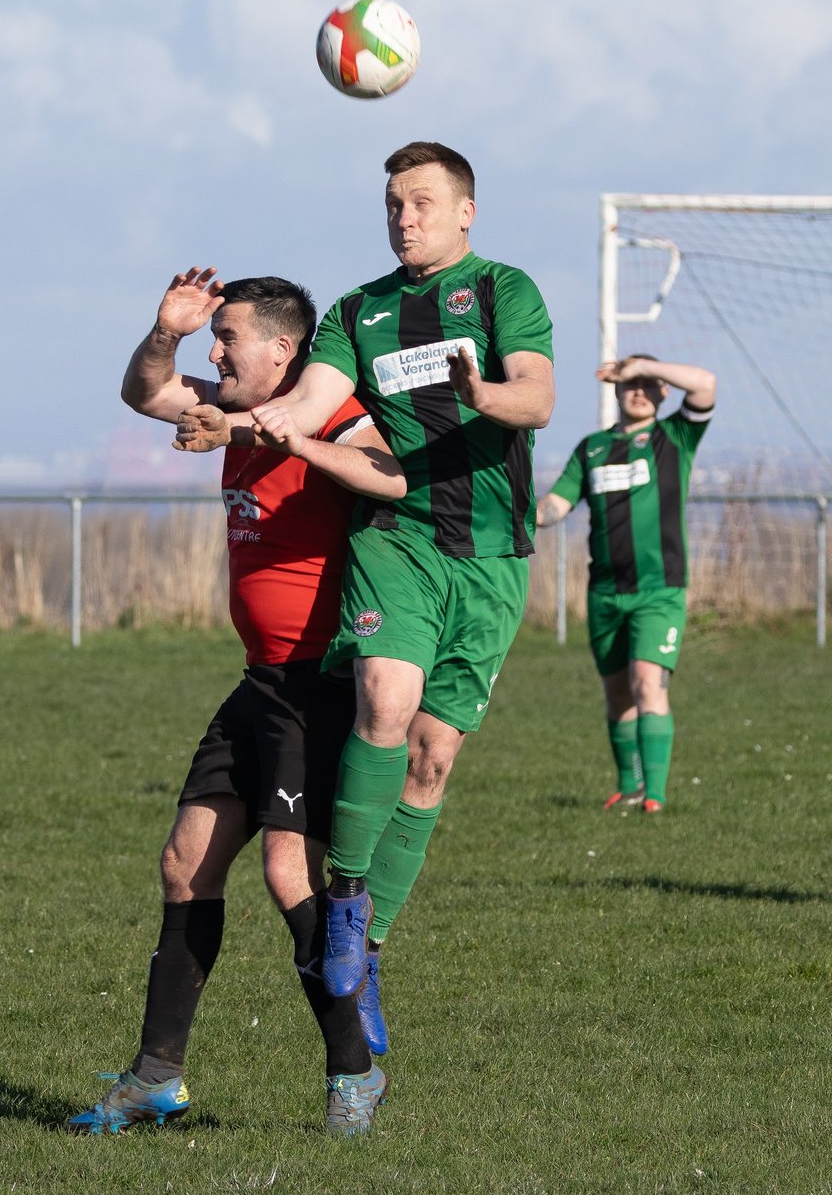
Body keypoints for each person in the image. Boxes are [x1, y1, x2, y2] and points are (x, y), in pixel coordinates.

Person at [177, 141, 554, 1023]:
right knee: (384, 700)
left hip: (492, 556)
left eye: (422, 202)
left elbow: (535, 400)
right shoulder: (357, 312)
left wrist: (483, 392)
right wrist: (236, 428)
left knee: (431, 759)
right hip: (398, 534)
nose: (404, 218)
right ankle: (346, 898)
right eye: (393, 203)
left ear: (465, 211)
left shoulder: (505, 291)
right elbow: (307, 410)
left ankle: (371, 946)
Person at [73, 270, 404, 1137]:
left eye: (228, 338)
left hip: (322, 684)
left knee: (289, 874)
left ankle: (353, 1074)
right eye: (212, 339)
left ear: (283, 351)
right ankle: (156, 1079)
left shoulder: (333, 413)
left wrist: (289, 439)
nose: (215, 353)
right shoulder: (224, 404)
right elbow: (144, 390)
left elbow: (388, 471)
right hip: (259, 679)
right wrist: (165, 332)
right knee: (186, 863)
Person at [536, 354, 718, 812]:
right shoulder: (592, 449)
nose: (636, 391)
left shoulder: (674, 437)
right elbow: (556, 504)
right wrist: (524, 515)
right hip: (604, 593)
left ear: (662, 391)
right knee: (618, 691)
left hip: (660, 590)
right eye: (628, 385)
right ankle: (628, 785)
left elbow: (705, 382)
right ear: (615, 392)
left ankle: (654, 794)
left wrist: (638, 364)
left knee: (646, 682)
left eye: (646, 383)